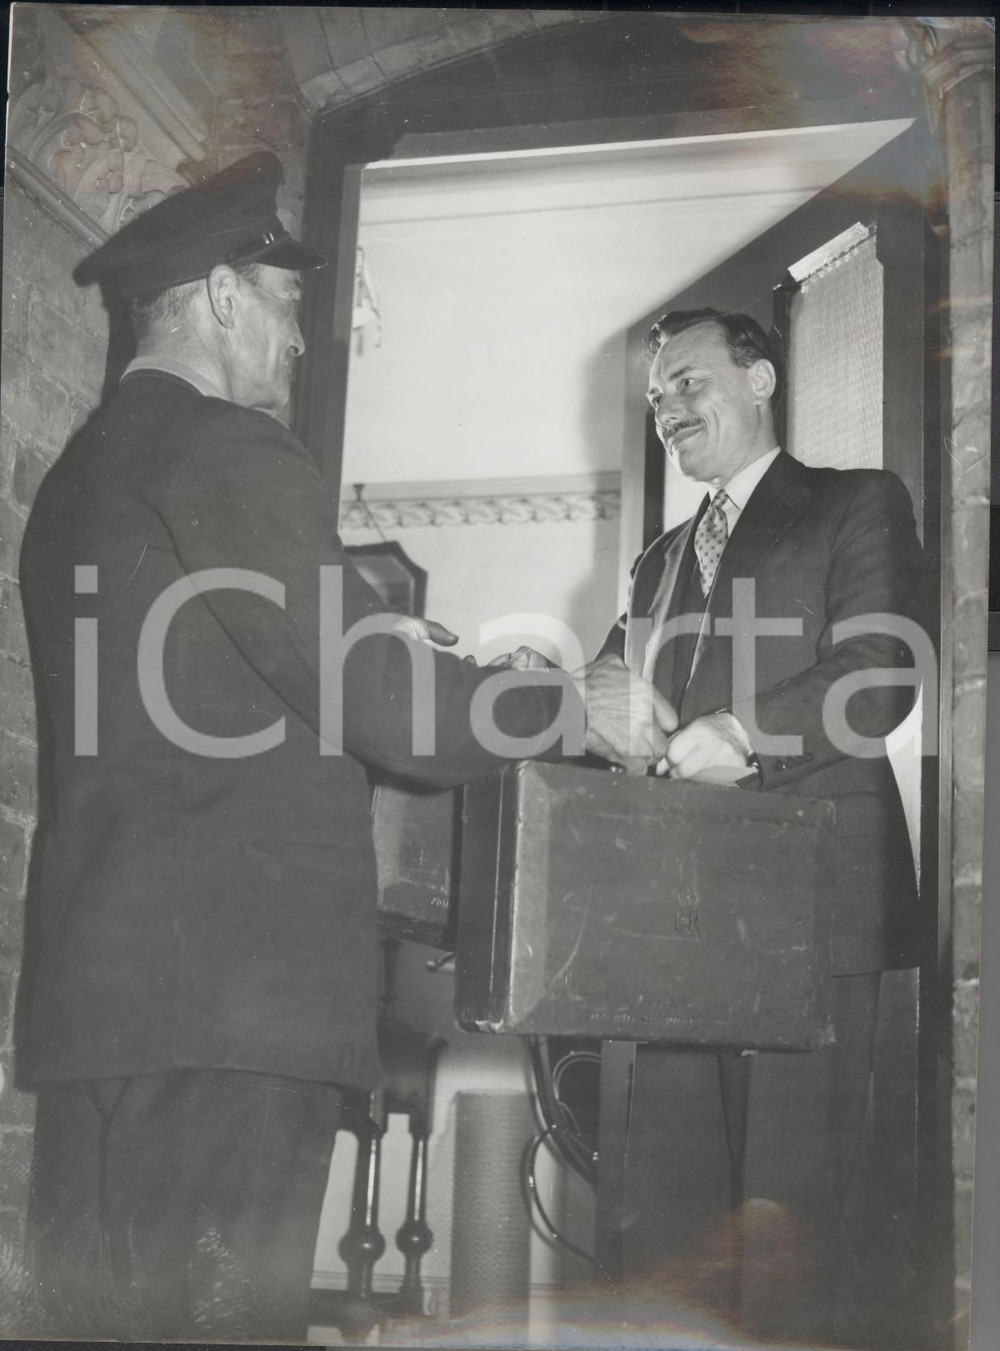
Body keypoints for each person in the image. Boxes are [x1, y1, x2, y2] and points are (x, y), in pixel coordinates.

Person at [16, 151, 676, 1343]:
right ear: (219, 295)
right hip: (228, 1022)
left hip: (104, 1019)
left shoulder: (77, 478)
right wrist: (572, 702)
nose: (299, 340)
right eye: (280, 306)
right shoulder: (225, 448)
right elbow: (386, 703)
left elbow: (224, 691)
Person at [601, 308, 928, 1343]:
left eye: (688, 383)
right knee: (677, 1219)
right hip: (679, 927)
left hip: (814, 912)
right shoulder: (654, 563)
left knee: (798, 1225)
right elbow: (617, 696)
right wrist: (588, 703)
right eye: (656, 396)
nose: (668, 411)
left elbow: (880, 673)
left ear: (761, 379)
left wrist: (745, 732)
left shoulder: (855, 503)